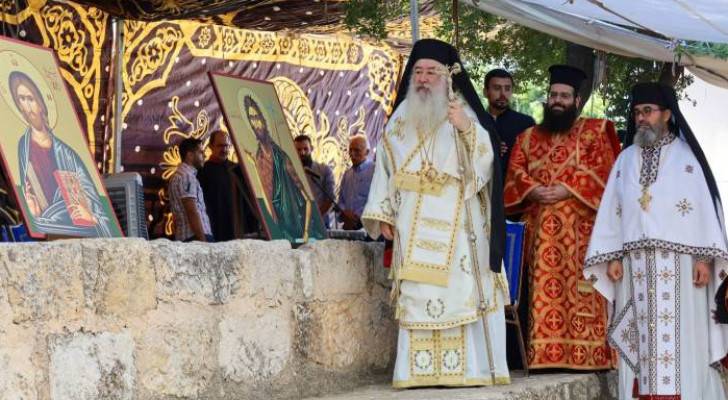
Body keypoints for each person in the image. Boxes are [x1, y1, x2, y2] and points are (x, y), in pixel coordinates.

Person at [362, 38, 509, 388]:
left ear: (447, 77)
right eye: (419, 72)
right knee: (418, 292)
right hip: (413, 220)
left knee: (461, 291)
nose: (424, 78)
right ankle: (417, 372)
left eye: (432, 72)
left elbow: (486, 166)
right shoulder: (399, 118)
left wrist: (466, 129)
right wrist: (383, 213)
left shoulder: (464, 112)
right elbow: (384, 167)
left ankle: (470, 369)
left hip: (458, 222)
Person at [584, 82, 728, 399]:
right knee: (637, 337)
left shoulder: (687, 159)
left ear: (666, 114)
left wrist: (705, 258)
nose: (641, 118)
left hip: (683, 270)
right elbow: (613, 213)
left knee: (686, 338)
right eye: (637, 113)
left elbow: (704, 210)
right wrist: (613, 257)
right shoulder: (625, 160)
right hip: (634, 268)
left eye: (647, 111)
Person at [503, 65, 621, 370]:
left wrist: (568, 189)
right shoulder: (528, 137)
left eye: (564, 96)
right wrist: (532, 190)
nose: (557, 100)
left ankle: (588, 356)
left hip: (581, 236)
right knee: (542, 297)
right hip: (540, 237)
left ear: (577, 101)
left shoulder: (595, 132)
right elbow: (515, 172)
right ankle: (543, 356)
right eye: (553, 95)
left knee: (581, 295)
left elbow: (606, 173)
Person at [11, 70, 118, 237]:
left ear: (41, 104)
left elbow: (92, 202)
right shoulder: (22, 147)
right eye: (21, 100)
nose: (26, 107)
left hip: (76, 230)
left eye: (30, 99)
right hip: (44, 228)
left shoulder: (66, 153)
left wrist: (91, 217)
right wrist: (34, 212)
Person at [241, 95, 319, 242]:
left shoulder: (281, 157)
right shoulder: (257, 157)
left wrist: (306, 233)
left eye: (258, 118)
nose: (256, 124)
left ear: (264, 121)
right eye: (252, 120)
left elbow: (306, 198)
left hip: (296, 229)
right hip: (274, 231)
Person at [198, 130, 258, 241]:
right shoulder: (203, 171)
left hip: (237, 228)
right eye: (220, 146)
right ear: (211, 146)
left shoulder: (237, 170)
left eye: (226, 146)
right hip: (215, 226)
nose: (224, 149)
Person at [481, 68, 535, 176]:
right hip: (483, 187)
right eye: (497, 88)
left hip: (514, 187)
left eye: (507, 88)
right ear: (486, 92)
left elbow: (533, 161)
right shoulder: (476, 122)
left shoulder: (526, 123)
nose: (503, 94)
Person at [168, 138, 213, 242]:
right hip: (195, 238)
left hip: (186, 237)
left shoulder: (177, 177)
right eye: (201, 152)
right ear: (190, 155)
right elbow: (191, 210)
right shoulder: (187, 177)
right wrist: (203, 241)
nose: (204, 156)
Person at [294, 135, 335, 228]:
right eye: (299, 150)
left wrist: (315, 217)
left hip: (320, 223)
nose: (302, 152)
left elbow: (330, 199)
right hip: (297, 224)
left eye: (305, 149)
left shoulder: (324, 170)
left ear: (311, 148)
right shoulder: (290, 171)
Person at [337, 134, 375, 230]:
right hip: (348, 226)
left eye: (357, 150)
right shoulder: (347, 174)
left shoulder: (376, 171)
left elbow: (377, 200)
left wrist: (357, 216)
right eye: (350, 150)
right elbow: (341, 201)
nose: (352, 154)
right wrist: (345, 213)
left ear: (367, 152)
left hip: (368, 227)